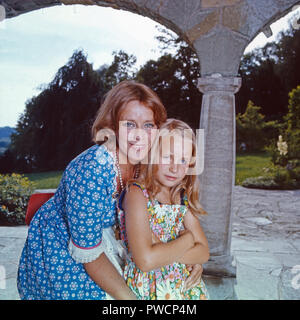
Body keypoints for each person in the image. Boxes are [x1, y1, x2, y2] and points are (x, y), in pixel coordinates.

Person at [17, 81, 202, 300]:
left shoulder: (149, 161)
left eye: (148, 125)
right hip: (67, 249)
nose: (139, 135)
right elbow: (89, 254)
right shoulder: (91, 170)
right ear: (112, 125)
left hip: (112, 240)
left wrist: (187, 257)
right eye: (129, 124)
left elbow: (160, 222)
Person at [118, 118, 210, 300]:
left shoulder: (180, 197)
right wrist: (188, 239)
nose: (175, 168)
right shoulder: (137, 195)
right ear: (151, 154)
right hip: (150, 290)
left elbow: (204, 252)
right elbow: (146, 261)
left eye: (183, 160)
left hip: (185, 289)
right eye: (168, 157)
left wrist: (163, 251)